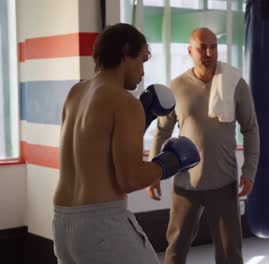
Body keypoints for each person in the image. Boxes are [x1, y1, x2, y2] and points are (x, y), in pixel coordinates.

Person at [53, 23, 200, 264]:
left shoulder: (76, 93)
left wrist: (142, 120)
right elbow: (129, 178)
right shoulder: (124, 102)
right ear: (124, 54)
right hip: (101, 225)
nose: (142, 71)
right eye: (141, 60)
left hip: (63, 224)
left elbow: (94, 152)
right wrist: (170, 162)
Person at [148, 27, 260, 264]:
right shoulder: (176, 86)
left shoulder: (235, 84)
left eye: (213, 47)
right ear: (190, 51)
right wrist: (153, 171)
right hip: (185, 183)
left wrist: (249, 171)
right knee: (176, 249)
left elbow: (251, 129)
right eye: (202, 47)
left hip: (224, 182)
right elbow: (162, 130)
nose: (208, 52)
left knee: (231, 253)